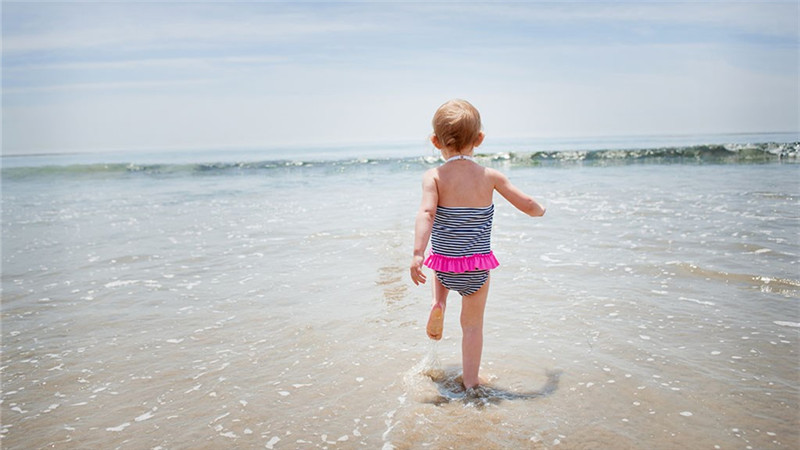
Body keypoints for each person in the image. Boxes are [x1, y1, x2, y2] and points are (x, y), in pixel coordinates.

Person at [410, 99, 546, 390]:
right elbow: (528, 203)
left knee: (442, 257)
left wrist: (418, 253)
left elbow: (426, 213)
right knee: (472, 326)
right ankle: (471, 382)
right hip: (475, 267)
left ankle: (439, 301)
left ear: (435, 142)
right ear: (480, 139)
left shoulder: (433, 177)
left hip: (444, 265)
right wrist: (540, 210)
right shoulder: (490, 177)